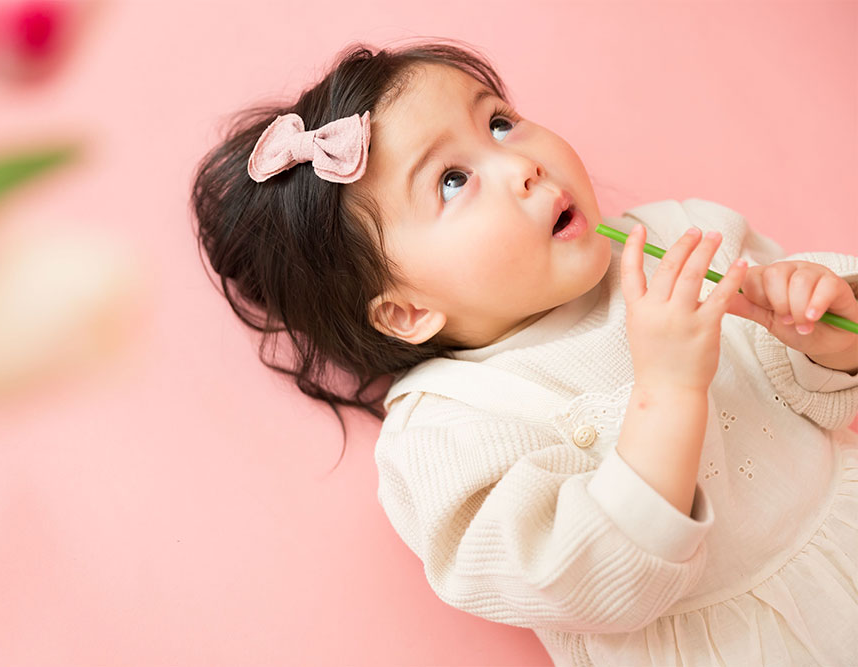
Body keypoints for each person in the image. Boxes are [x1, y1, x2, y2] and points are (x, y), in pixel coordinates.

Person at [190, 38, 858, 666]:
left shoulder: (677, 238)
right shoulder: (447, 431)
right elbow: (590, 578)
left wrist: (823, 335)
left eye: (500, 123)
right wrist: (668, 390)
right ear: (407, 312)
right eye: (453, 181)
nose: (522, 165)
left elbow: (819, 395)